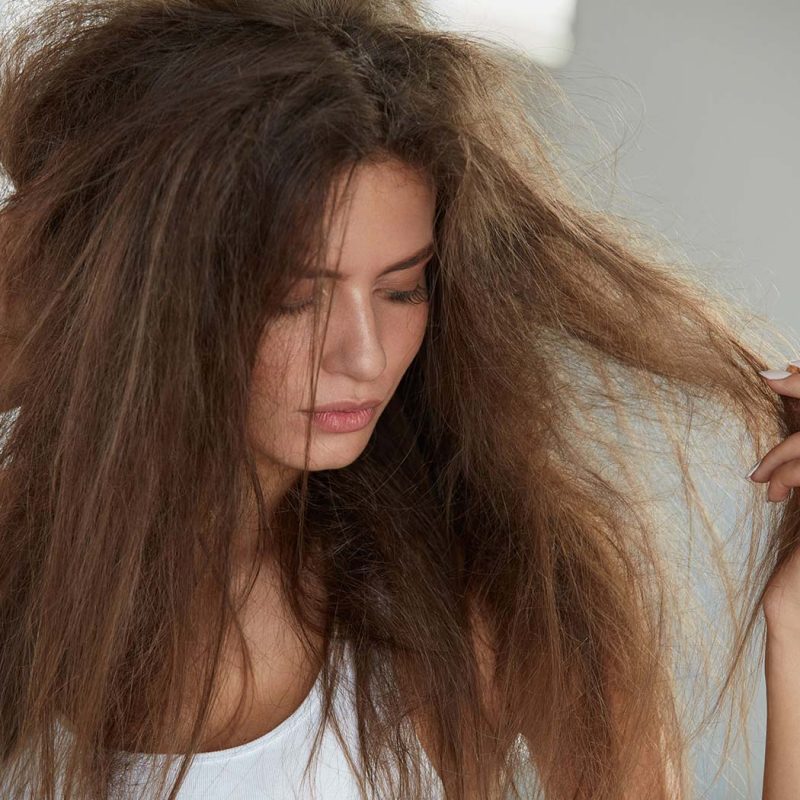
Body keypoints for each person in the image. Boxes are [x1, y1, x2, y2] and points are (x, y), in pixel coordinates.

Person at [0, 0, 790, 798]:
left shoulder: (492, 602)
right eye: (290, 297)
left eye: (403, 290)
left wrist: (794, 637)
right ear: (145, 296)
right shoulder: (26, 569)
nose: (365, 356)